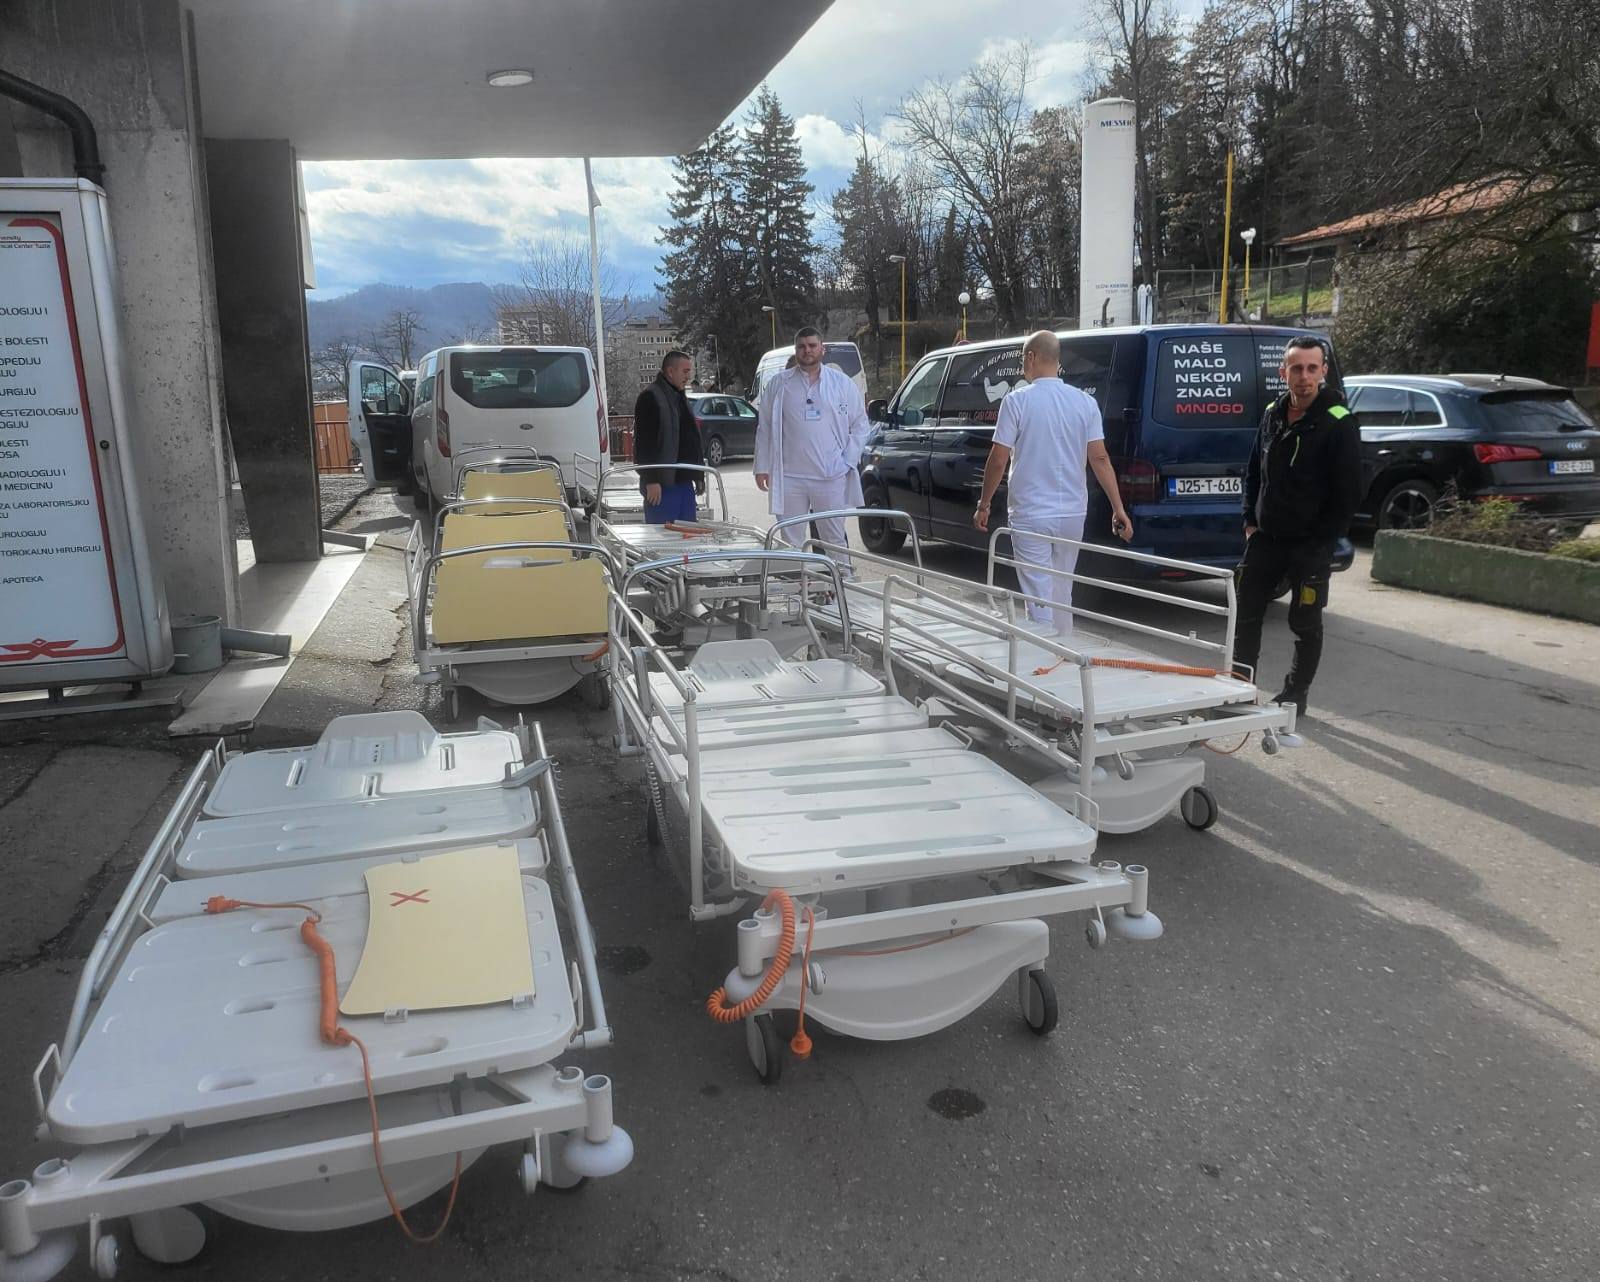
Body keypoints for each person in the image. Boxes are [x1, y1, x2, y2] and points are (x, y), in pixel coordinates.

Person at [1232, 335, 1362, 716]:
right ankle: (1239, 688)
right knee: (1245, 614)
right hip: (1265, 538)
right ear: (1283, 372)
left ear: (1323, 372)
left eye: (1311, 368)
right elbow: (1253, 472)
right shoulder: (1272, 413)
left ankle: (1295, 693)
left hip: (1309, 544)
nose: (1303, 376)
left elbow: (1348, 493)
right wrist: (1249, 521)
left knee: (1304, 621)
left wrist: (1321, 542)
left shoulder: (1338, 422)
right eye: (1296, 368)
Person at [973, 330, 1133, 635]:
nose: (1023, 366)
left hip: (1031, 514)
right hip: (1072, 513)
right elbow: (1100, 459)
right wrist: (1118, 508)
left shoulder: (1016, 401)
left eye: (1023, 359)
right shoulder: (1085, 402)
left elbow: (998, 459)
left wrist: (984, 504)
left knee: (1038, 598)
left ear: (1032, 357)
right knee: (1062, 592)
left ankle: (1044, 657)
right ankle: (1065, 651)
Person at [755, 327, 872, 559]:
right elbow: (765, 426)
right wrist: (761, 467)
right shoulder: (779, 384)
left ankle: (842, 581)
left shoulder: (842, 384)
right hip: (789, 478)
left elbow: (861, 424)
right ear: (796, 350)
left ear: (822, 349)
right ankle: (798, 582)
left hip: (830, 475)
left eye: (812, 345)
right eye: (801, 346)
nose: (807, 350)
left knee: (834, 539)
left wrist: (847, 461)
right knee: (791, 542)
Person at [631, 349, 705, 524]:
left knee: (688, 535)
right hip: (662, 485)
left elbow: (691, 438)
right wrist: (651, 480)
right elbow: (644, 443)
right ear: (671, 371)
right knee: (663, 535)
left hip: (684, 483)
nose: (688, 377)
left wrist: (698, 474)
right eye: (685, 372)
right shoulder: (650, 397)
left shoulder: (680, 396)